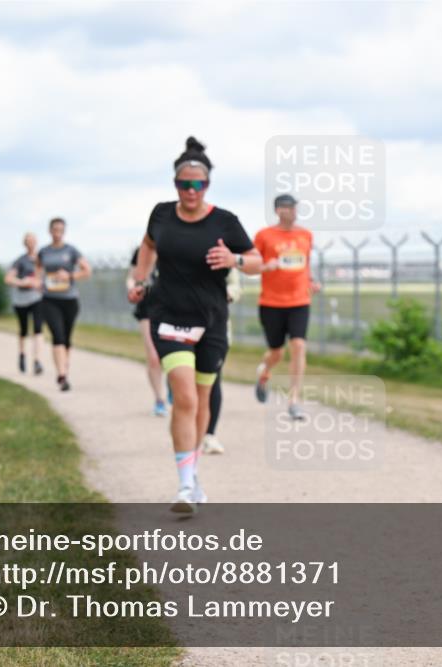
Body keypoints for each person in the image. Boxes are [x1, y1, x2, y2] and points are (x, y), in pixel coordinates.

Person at [129, 136, 262, 513]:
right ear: (175, 185)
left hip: (212, 321)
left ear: (207, 185)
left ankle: (194, 474)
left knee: (202, 399)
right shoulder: (160, 214)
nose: (191, 190)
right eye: (184, 184)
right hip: (169, 316)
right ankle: (185, 487)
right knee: (184, 397)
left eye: (198, 184)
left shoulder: (225, 221)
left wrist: (234, 260)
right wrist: (140, 281)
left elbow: (257, 262)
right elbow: (148, 245)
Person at [252, 194, 321, 420]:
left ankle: (294, 400)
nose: (290, 211)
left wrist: (310, 282)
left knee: (299, 345)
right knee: (277, 352)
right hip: (271, 302)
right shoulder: (264, 236)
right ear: (277, 211)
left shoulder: (305, 235)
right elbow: (251, 266)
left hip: (299, 300)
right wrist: (265, 266)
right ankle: (265, 371)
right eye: (285, 208)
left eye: (293, 207)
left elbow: (305, 264)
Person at [36, 218, 91, 391]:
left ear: (64, 231)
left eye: (61, 229)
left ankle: (64, 368)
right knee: (57, 336)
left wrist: (70, 275)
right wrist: (39, 283)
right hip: (50, 299)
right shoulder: (44, 252)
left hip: (69, 299)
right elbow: (38, 272)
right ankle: (61, 375)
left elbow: (87, 270)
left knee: (66, 338)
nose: (57, 232)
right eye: (55, 229)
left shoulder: (71, 250)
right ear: (50, 231)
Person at [200, 267, 242, 455]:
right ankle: (190, 432)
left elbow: (235, 285)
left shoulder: (223, 251)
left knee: (213, 381)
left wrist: (225, 294)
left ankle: (209, 434)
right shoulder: (177, 245)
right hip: (183, 326)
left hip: (217, 326)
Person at [127, 244, 168, 416]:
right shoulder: (143, 250)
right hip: (147, 308)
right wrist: (132, 288)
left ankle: (175, 386)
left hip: (173, 309)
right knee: (153, 357)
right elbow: (131, 276)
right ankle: (159, 399)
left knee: (173, 356)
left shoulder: (176, 245)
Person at [4, 233, 45, 375]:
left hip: (37, 298)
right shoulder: (20, 261)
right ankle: (22, 354)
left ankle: (37, 360)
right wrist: (23, 282)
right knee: (24, 329)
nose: (31, 243)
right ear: (25, 244)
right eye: (28, 241)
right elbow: (8, 279)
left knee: (38, 328)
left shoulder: (42, 260)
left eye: (33, 241)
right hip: (21, 300)